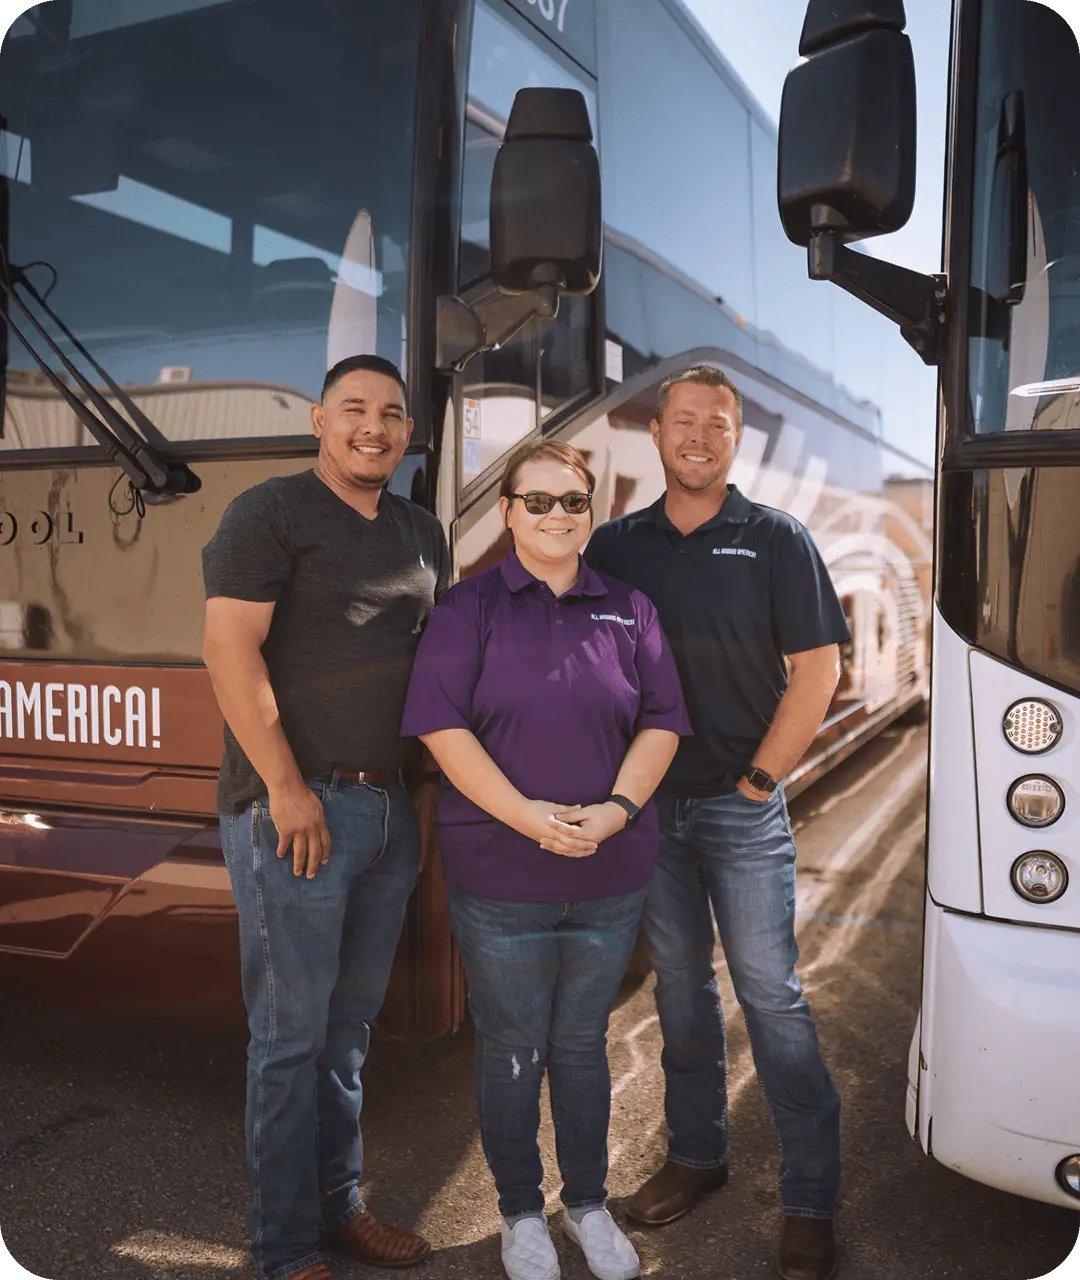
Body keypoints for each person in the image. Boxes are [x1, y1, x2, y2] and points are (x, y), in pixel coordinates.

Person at [400, 440, 691, 1280]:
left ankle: (589, 1205)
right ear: (507, 512)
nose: (557, 516)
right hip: (501, 875)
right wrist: (530, 818)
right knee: (511, 1048)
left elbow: (662, 721)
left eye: (573, 501)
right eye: (538, 501)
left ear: (589, 511)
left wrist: (615, 811)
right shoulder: (468, 608)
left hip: (608, 872)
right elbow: (443, 731)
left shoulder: (629, 608)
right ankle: (521, 1215)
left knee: (580, 1043)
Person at [584, 366, 850, 1280]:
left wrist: (758, 781)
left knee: (771, 996)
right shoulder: (616, 545)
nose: (699, 436)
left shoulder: (776, 540)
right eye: (684, 420)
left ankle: (811, 1200)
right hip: (650, 810)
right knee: (681, 995)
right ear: (656, 433)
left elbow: (816, 671)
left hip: (739, 808)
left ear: (738, 440)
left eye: (719, 424)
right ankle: (698, 1159)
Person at [201, 353, 447, 1280]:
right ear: (318, 419)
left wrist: (420, 783)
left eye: (390, 412)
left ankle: (339, 1209)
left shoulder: (423, 530)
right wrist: (286, 787)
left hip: (387, 812)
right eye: (354, 408)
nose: (373, 426)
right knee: (289, 1041)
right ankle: (282, 1249)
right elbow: (229, 651)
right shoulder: (271, 513)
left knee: (348, 1037)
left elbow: (430, 662)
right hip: (294, 815)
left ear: (409, 431)